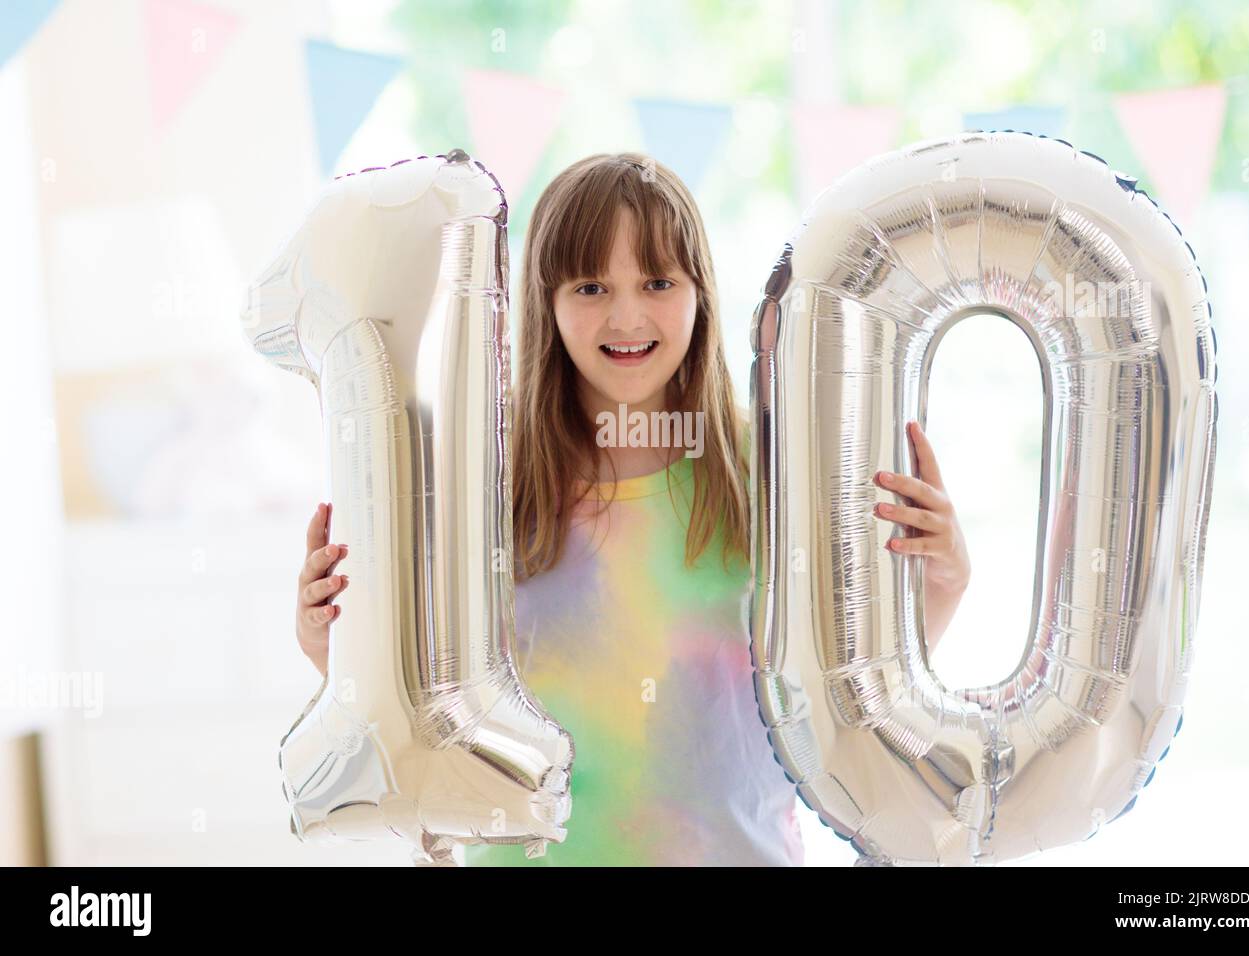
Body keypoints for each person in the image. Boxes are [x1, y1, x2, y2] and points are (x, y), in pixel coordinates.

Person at [293, 152, 971, 866]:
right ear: (547, 302)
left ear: (699, 293)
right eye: (591, 286)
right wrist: (328, 639)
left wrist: (943, 579)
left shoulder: (770, 468)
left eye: (657, 281)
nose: (627, 315)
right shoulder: (481, 477)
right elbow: (416, 699)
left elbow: (850, 698)